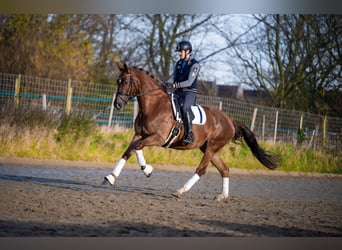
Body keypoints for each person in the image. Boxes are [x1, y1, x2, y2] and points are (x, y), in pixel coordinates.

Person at [164, 40, 200, 145]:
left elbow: (189, 82)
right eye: (179, 52)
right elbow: (173, 77)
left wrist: (174, 85)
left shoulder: (194, 64)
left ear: (188, 51)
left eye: (181, 51)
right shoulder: (179, 63)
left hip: (189, 92)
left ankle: (189, 134)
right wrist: (167, 83)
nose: (179, 53)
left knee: (184, 108)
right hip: (178, 92)